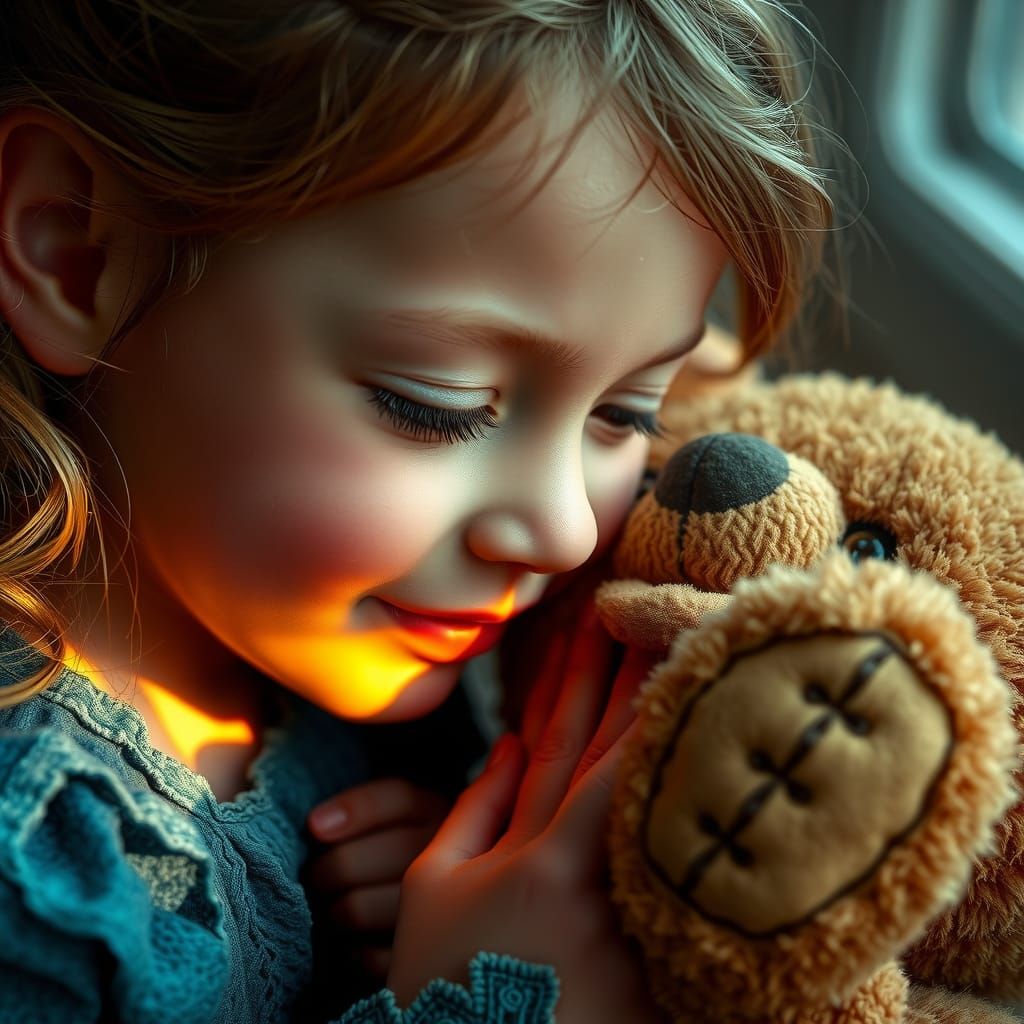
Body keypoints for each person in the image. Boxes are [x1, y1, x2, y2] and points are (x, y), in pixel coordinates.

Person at [0, 2, 843, 1022]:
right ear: (77, 253)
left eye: (625, 412)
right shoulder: (38, 885)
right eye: (434, 403)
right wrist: (476, 1002)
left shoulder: (362, 646)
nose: (565, 530)